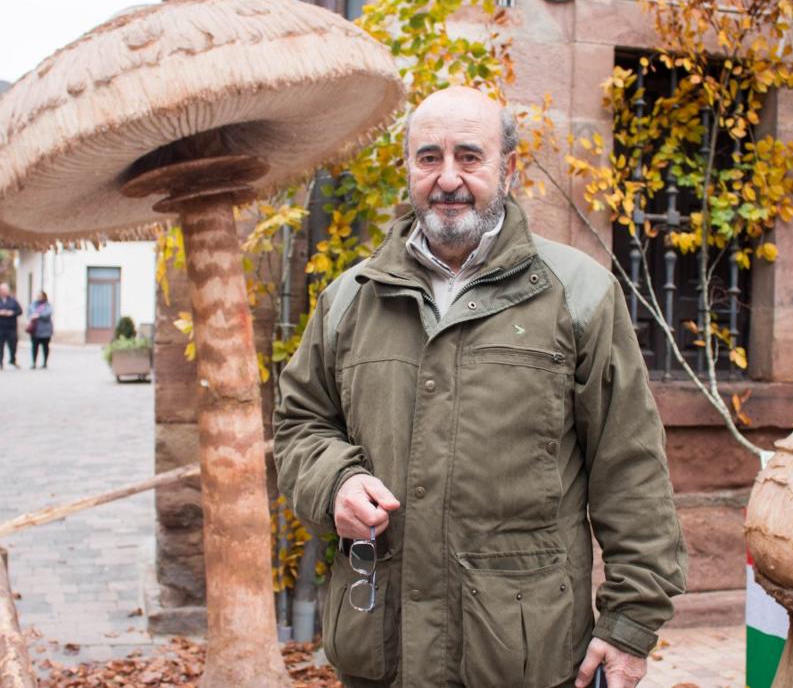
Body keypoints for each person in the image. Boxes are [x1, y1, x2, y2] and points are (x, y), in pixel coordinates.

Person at [274, 86, 688, 688]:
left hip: (521, 655)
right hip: (379, 650)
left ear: (508, 167)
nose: (447, 179)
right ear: (408, 169)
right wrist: (334, 481)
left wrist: (629, 625)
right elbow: (300, 424)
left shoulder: (577, 293)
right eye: (428, 158)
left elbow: (630, 467)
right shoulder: (350, 298)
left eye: (469, 157)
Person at [0, 282, 22, 369]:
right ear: (0, 291)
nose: (5, 291)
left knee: (13, 345)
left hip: (11, 327)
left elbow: (19, 311)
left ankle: (13, 360)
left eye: (6, 290)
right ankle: (0, 362)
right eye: (3, 290)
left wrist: (12, 313)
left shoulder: (13, 301)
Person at [27, 291, 54, 369]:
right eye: (38, 296)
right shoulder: (33, 305)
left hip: (45, 330)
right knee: (34, 347)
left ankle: (45, 362)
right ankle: (34, 362)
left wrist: (38, 315)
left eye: (40, 296)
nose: (39, 297)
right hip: (35, 329)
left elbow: (48, 314)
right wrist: (33, 316)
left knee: (45, 346)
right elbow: (29, 313)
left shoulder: (47, 305)